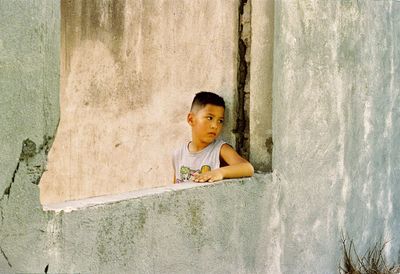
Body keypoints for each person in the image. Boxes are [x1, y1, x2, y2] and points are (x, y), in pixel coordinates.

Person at [172, 91, 254, 183]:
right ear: (191, 119)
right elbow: (175, 187)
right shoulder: (179, 154)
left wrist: (219, 172)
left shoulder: (219, 149)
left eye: (220, 121)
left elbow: (248, 168)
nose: (215, 126)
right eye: (209, 118)